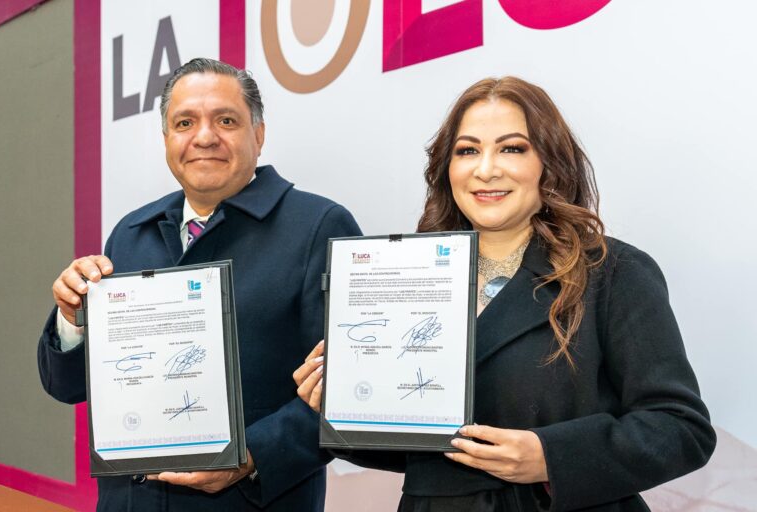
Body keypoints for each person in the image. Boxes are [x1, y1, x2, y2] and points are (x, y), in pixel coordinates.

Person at [293, 76, 716, 511]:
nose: (486, 168)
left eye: (512, 148)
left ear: (549, 164)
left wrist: (551, 458)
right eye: (467, 150)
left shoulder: (612, 272)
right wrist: (340, 410)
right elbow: (422, 449)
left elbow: (680, 428)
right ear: (447, 168)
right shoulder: (410, 276)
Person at [37, 58, 361, 512]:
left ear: (259, 135)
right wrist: (72, 321)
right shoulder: (131, 232)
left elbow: (354, 390)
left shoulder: (319, 227)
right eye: (184, 122)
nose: (204, 137)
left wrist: (250, 457)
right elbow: (68, 387)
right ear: (167, 139)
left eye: (226, 120)